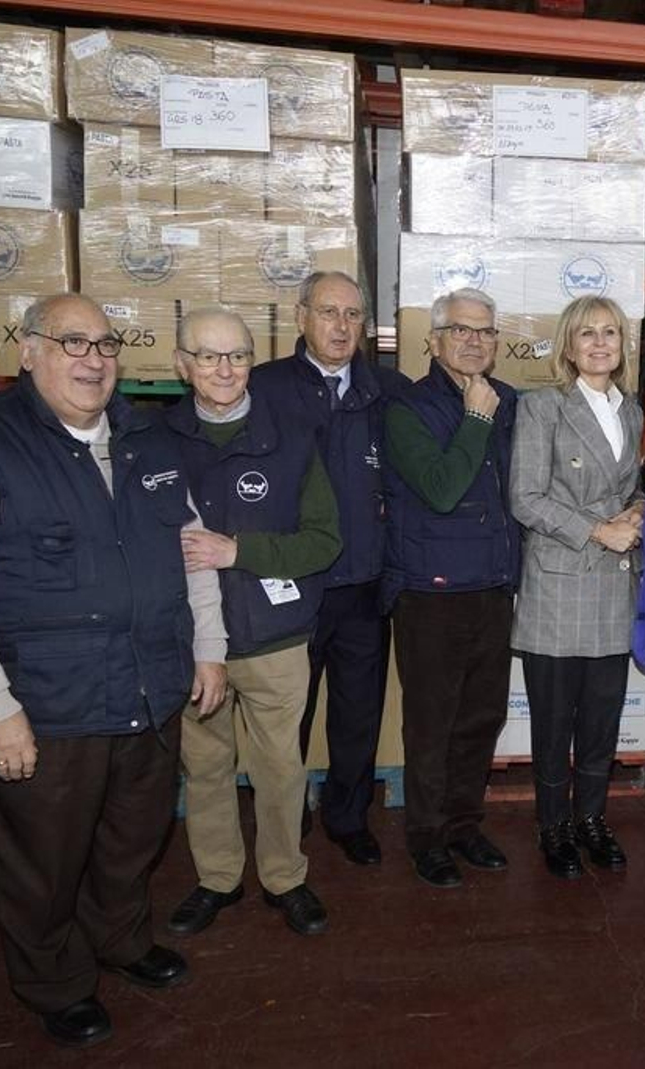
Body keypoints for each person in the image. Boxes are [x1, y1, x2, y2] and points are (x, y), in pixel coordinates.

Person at [0, 294, 229, 1048]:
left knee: (132, 837)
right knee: (42, 859)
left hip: (150, 687)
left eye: (106, 344)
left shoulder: (148, 439)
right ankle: (53, 980)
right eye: (72, 342)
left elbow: (192, 549)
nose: (93, 359)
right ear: (27, 351)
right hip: (47, 705)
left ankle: (120, 939)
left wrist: (209, 646)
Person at [161, 308, 342, 938]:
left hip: (275, 638)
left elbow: (324, 541)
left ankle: (285, 877)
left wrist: (239, 551)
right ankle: (217, 878)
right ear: (181, 364)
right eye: (208, 356)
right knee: (205, 767)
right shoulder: (155, 442)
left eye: (237, 356)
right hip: (190, 641)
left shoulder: (293, 437)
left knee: (280, 769)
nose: (224, 369)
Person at [252, 271, 409, 867]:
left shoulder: (387, 391)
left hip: (365, 584)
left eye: (353, 315)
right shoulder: (264, 388)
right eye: (328, 312)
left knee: (357, 713)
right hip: (292, 586)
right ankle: (284, 818)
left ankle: (348, 816)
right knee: (287, 715)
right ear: (301, 317)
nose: (341, 327)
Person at [383, 287, 519, 890]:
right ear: (434, 341)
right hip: (431, 594)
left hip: (493, 586)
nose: (474, 341)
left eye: (485, 331)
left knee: (481, 719)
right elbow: (440, 489)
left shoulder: (510, 401)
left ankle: (464, 825)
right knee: (432, 725)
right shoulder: (407, 408)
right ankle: (427, 838)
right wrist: (477, 418)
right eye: (461, 330)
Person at [509, 296, 645, 880]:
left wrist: (637, 512)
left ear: (622, 344)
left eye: (609, 332)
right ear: (568, 345)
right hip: (559, 587)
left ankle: (591, 819)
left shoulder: (630, 410)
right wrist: (598, 530)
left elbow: (630, 487)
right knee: (553, 725)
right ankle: (553, 826)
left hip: (613, 586)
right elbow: (524, 498)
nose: (599, 343)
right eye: (587, 333)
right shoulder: (542, 407)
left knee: (600, 723)